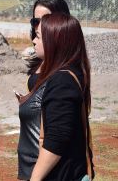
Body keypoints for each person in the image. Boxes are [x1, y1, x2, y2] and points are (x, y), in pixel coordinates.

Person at [24, 13, 94, 180]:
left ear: (54, 42)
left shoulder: (62, 81)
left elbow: (56, 140)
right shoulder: (68, 72)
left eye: (39, 37)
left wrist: (35, 178)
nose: (33, 41)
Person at [17, 0, 71, 180]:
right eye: (35, 20)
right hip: (32, 161)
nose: (38, 25)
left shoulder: (63, 75)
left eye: (45, 20)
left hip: (49, 170)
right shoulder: (43, 58)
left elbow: (57, 136)